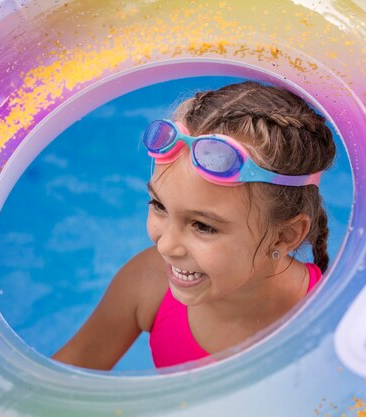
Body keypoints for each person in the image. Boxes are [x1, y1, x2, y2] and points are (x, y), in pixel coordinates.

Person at [52, 81, 336, 370]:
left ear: (283, 237)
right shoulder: (148, 283)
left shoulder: (332, 318)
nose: (166, 246)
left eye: (202, 226)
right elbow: (58, 385)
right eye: (159, 206)